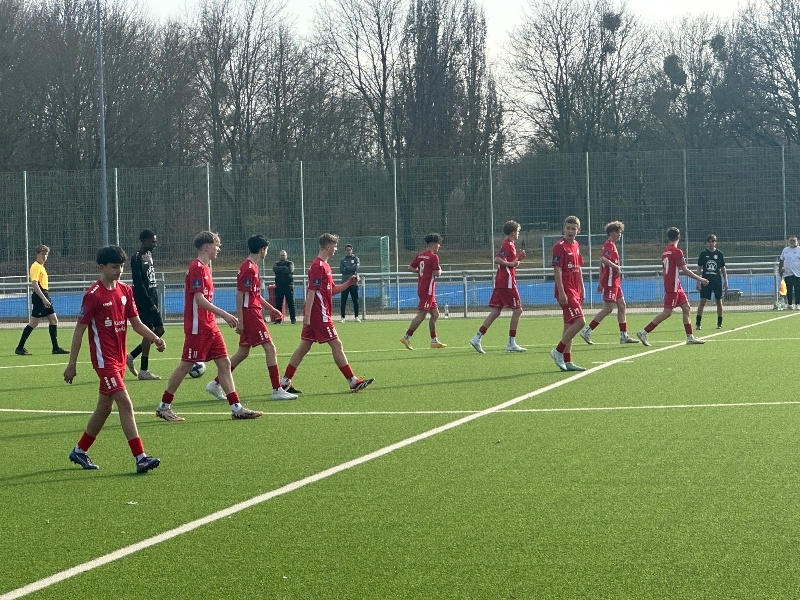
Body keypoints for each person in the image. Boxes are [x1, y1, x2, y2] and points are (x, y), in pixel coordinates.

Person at [63, 245, 163, 473]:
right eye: (114, 266)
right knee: (125, 403)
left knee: (104, 408)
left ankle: (79, 450)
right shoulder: (93, 295)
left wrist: (155, 338)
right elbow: (79, 330)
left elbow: (136, 324)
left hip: (119, 360)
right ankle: (141, 457)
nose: (119, 270)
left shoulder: (125, 291)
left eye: (121, 266)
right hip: (104, 361)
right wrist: (71, 365)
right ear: (102, 267)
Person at [155, 231, 263, 422]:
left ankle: (236, 408)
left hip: (210, 326)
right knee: (186, 365)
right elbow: (199, 299)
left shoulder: (205, 268)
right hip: (198, 327)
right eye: (216, 245)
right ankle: (164, 406)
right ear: (207, 247)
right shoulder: (196, 268)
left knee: (225, 363)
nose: (218, 249)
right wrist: (224, 314)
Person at [204, 235, 298, 402]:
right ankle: (277, 389)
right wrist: (241, 320)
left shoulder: (253, 266)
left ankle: (216, 383)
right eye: (266, 250)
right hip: (250, 314)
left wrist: (272, 308)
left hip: (252, 312)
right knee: (270, 348)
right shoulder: (248, 267)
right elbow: (240, 294)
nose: (266, 252)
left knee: (243, 352)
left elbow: (255, 295)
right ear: (262, 249)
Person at [280, 233, 374, 394]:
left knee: (304, 347)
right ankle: (352, 381)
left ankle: (285, 381)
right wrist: (307, 316)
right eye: (335, 246)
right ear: (328, 246)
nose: (336, 249)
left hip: (318, 314)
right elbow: (311, 291)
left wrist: (349, 282)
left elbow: (332, 290)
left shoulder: (325, 266)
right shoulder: (318, 266)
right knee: (337, 345)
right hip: (319, 314)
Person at [637, 227, 708, 346]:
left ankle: (690, 337)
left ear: (668, 237)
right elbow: (685, 270)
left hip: (675, 285)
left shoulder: (665, 251)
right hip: (673, 286)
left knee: (686, 307)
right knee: (667, 312)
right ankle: (643, 332)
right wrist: (700, 279)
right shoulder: (677, 251)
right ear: (679, 237)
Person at [470, 220, 527, 354]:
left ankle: (477, 338)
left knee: (496, 311)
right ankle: (511, 343)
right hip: (507, 282)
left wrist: (518, 259)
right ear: (513, 232)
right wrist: (511, 263)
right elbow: (497, 259)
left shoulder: (510, 245)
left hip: (502, 281)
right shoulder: (507, 244)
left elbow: (511, 262)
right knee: (518, 310)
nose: (518, 234)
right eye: (518, 231)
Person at [579, 221, 639, 345]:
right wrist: (616, 267)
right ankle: (587, 331)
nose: (620, 234)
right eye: (618, 232)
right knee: (608, 309)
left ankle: (624, 335)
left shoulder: (612, 245)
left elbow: (601, 264)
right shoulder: (609, 245)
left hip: (615, 282)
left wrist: (600, 281)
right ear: (611, 233)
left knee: (622, 306)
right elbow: (603, 259)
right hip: (611, 282)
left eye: (620, 232)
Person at [549, 216, 588, 372]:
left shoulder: (576, 245)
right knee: (580, 322)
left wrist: (582, 288)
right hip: (566, 290)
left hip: (575, 289)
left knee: (569, 325)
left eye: (573, 228)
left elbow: (578, 268)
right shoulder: (559, 246)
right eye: (568, 228)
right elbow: (557, 270)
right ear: (563, 228)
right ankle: (557, 351)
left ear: (578, 230)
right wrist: (562, 292)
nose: (570, 231)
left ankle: (568, 360)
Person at [15, 244, 68, 355]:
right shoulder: (35, 266)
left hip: (44, 295)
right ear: (37, 254)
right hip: (40, 296)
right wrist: (43, 298)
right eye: (42, 254)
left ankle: (55, 348)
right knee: (34, 322)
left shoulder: (41, 266)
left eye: (46, 254)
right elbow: (35, 284)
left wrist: (45, 297)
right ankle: (19, 347)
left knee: (53, 320)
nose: (44, 256)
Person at [126, 230, 165, 380]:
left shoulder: (148, 256)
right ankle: (144, 370)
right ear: (144, 240)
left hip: (152, 298)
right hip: (144, 300)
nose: (155, 244)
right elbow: (139, 283)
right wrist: (149, 303)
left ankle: (131, 356)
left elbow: (150, 280)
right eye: (152, 241)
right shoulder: (136, 257)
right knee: (148, 331)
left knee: (159, 330)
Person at [400, 233, 447, 350]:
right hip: (428, 291)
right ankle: (406, 337)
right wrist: (440, 270)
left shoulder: (421, 255)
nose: (439, 246)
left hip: (423, 288)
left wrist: (422, 271)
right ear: (434, 243)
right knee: (422, 314)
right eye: (439, 243)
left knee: (435, 314)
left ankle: (434, 341)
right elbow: (437, 273)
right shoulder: (434, 257)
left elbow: (410, 268)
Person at [695, 234, 728, 330]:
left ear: (715, 242)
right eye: (709, 241)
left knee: (719, 302)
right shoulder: (703, 254)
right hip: (706, 281)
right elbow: (699, 268)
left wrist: (726, 280)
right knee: (702, 302)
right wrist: (698, 281)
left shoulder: (719, 254)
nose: (711, 243)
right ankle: (698, 323)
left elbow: (723, 268)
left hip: (717, 281)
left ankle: (719, 323)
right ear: (707, 242)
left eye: (713, 241)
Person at [272, 249, 296, 324]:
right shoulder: (276, 263)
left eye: (284, 255)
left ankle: (293, 319)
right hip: (279, 286)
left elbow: (290, 270)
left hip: (288, 286)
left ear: (286, 256)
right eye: (281, 255)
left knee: (291, 304)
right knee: (278, 304)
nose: (282, 256)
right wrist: (284, 268)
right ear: (279, 256)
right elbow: (275, 269)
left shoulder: (290, 263)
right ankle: (278, 319)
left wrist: (280, 270)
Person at [339, 244, 361, 322]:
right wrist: (351, 268)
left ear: (352, 250)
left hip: (353, 283)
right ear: (345, 251)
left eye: (349, 250)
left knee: (355, 300)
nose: (348, 251)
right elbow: (342, 270)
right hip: (345, 283)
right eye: (347, 250)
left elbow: (356, 267)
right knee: (343, 301)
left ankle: (356, 317)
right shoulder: (343, 260)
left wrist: (347, 268)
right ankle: (342, 318)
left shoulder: (356, 259)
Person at [779, 235, 800, 310]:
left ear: (796, 241)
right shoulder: (785, 250)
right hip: (788, 273)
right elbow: (781, 260)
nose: (792, 242)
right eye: (791, 240)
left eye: (794, 240)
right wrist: (780, 269)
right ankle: (789, 304)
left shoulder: (799, 249)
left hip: (797, 274)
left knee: (798, 290)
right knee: (789, 289)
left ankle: (798, 304)